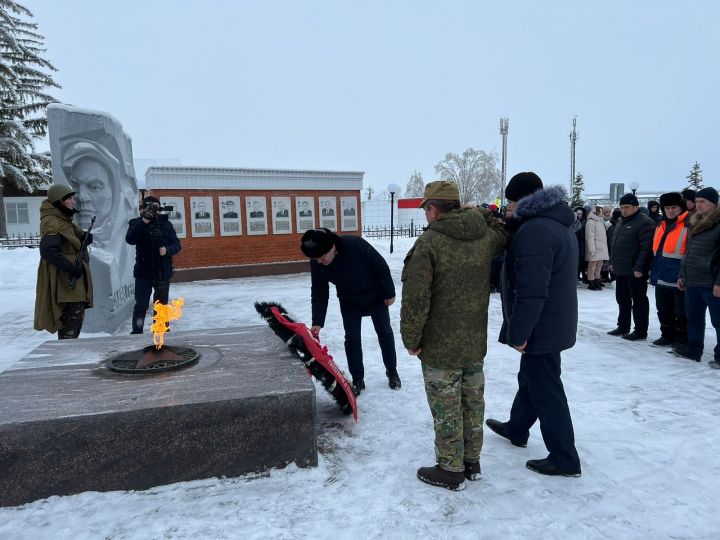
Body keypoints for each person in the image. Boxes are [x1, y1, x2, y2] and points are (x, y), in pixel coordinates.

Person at [401, 180, 507, 491]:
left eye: (426, 208)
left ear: (433, 209)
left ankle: (450, 468)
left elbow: (416, 299)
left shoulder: (430, 244)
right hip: (473, 341)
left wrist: (411, 339)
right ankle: (471, 461)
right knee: (472, 402)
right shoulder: (484, 237)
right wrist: (482, 214)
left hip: (440, 345)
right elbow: (501, 230)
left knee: (446, 407)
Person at [485, 172, 581, 477]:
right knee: (532, 378)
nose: (508, 207)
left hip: (542, 324)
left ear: (523, 200)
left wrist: (520, 333)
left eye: (511, 201)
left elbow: (532, 290)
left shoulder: (535, 231)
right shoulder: (554, 222)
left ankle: (564, 457)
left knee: (546, 388)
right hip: (553, 320)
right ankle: (517, 427)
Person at [301, 228, 400, 392]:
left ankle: (392, 371)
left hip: (375, 295)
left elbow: (380, 266)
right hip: (349, 300)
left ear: (332, 247)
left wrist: (389, 293)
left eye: (322, 257)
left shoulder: (354, 245)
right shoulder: (317, 261)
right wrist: (317, 321)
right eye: (315, 258)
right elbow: (319, 291)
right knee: (352, 338)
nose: (318, 261)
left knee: (385, 333)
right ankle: (357, 379)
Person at [34, 184, 94, 339]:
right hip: (65, 282)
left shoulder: (63, 219)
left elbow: (70, 239)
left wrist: (84, 238)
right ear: (59, 201)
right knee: (70, 324)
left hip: (70, 281)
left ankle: (69, 350)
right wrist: (70, 268)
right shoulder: (52, 221)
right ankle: (68, 354)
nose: (73, 202)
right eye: (69, 199)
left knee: (74, 321)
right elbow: (48, 250)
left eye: (73, 198)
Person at [675, 187, 720, 367]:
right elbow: (688, 252)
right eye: (698, 201)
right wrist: (682, 274)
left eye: (703, 202)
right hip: (692, 280)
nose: (699, 205)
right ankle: (693, 350)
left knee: (718, 322)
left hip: (711, 282)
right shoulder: (694, 222)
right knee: (693, 318)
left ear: (714, 204)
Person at [125, 196, 182, 334]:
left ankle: (161, 331)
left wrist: (167, 250)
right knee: (141, 304)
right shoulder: (136, 223)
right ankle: (137, 331)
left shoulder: (166, 224)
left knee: (161, 305)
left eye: (155, 207)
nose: (153, 211)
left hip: (163, 271)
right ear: (143, 209)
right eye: (150, 207)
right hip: (144, 272)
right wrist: (144, 220)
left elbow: (177, 245)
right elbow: (130, 239)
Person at [607, 193, 656, 340]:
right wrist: (612, 263)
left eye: (627, 207)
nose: (624, 210)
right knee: (622, 299)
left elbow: (646, 248)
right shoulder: (622, 221)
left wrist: (640, 268)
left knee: (639, 300)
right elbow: (615, 245)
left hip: (635, 270)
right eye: (621, 207)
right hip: (621, 268)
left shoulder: (644, 222)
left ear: (636, 207)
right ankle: (623, 326)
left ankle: (640, 331)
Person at [649, 192, 689, 347]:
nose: (670, 210)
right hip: (661, 272)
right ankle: (666, 335)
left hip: (678, 275)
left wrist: (683, 274)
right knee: (663, 308)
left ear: (680, 208)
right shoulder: (661, 224)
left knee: (681, 311)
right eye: (667, 207)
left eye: (674, 207)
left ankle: (681, 338)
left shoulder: (687, 224)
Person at [585, 206, 609, 290]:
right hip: (595, 247)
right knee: (592, 265)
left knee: (599, 265)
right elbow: (589, 237)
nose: (601, 213)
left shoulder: (600, 222)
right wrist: (591, 249)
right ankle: (591, 281)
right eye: (600, 212)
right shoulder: (591, 222)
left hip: (601, 247)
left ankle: (597, 279)